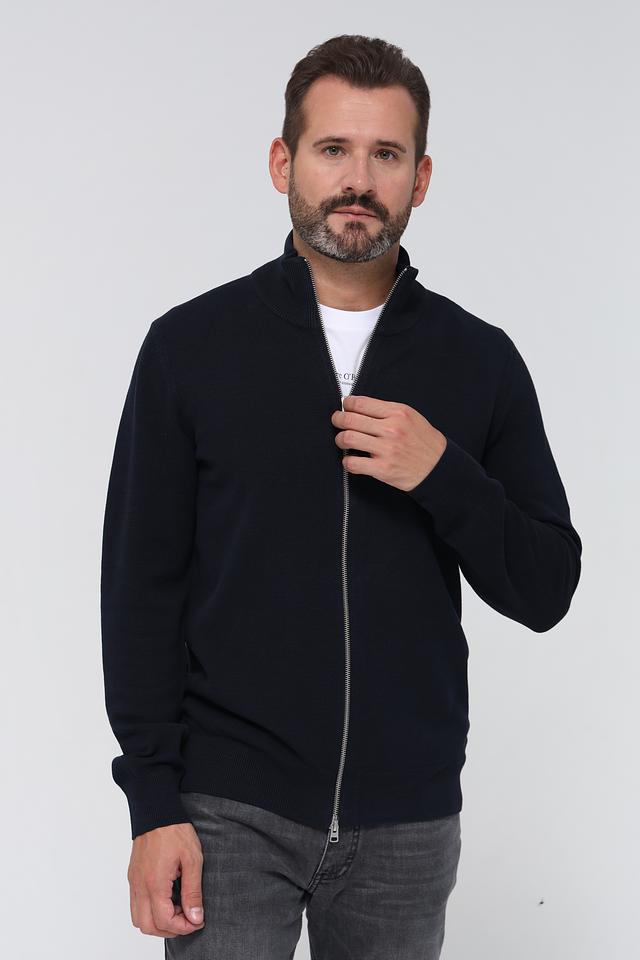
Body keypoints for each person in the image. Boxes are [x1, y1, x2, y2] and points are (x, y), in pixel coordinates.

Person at [100, 34, 582, 959]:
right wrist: (152, 804)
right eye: (333, 149)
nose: (358, 180)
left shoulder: (479, 361)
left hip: (407, 822)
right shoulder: (191, 348)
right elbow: (139, 592)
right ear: (283, 163)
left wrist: (442, 472)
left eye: (386, 154)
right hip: (228, 807)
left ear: (421, 178)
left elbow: (546, 586)